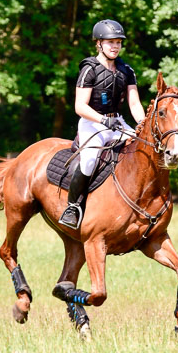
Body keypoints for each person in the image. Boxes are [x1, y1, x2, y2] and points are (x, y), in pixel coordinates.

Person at [59, 19, 146, 229]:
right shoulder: (89, 70)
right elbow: (80, 106)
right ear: (99, 43)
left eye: (118, 42)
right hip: (92, 122)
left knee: (142, 149)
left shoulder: (127, 70)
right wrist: (103, 120)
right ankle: (73, 207)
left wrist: (142, 125)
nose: (115, 46)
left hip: (117, 122)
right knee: (89, 160)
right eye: (110, 42)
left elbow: (134, 103)